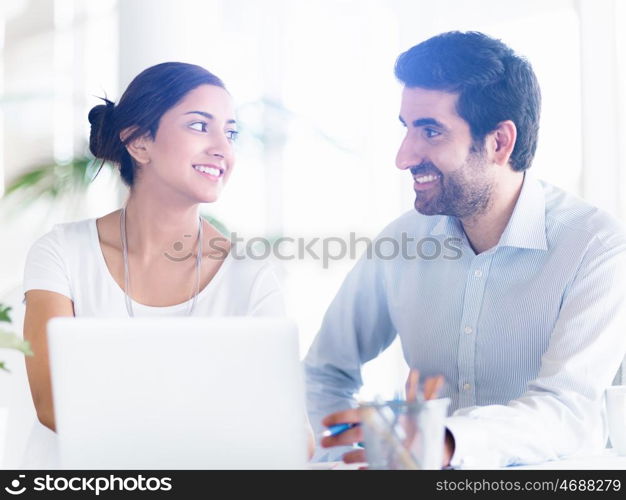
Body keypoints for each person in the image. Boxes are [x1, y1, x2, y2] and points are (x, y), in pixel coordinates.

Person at [305, 31, 626, 468]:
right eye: (407, 129)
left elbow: (567, 410)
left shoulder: (596, 247)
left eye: (430, 132)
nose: (403, 157)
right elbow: (325, 372)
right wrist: (348, 457)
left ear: (499, 142)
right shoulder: (400, 243)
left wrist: (447, 442)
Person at [22, 62, 314, 457]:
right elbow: (55, 405)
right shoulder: (61, 253)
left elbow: (295, 435)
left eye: (230, 133)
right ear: (139, 142)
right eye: (199, 126)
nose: (222, 147)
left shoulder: (250, 275)